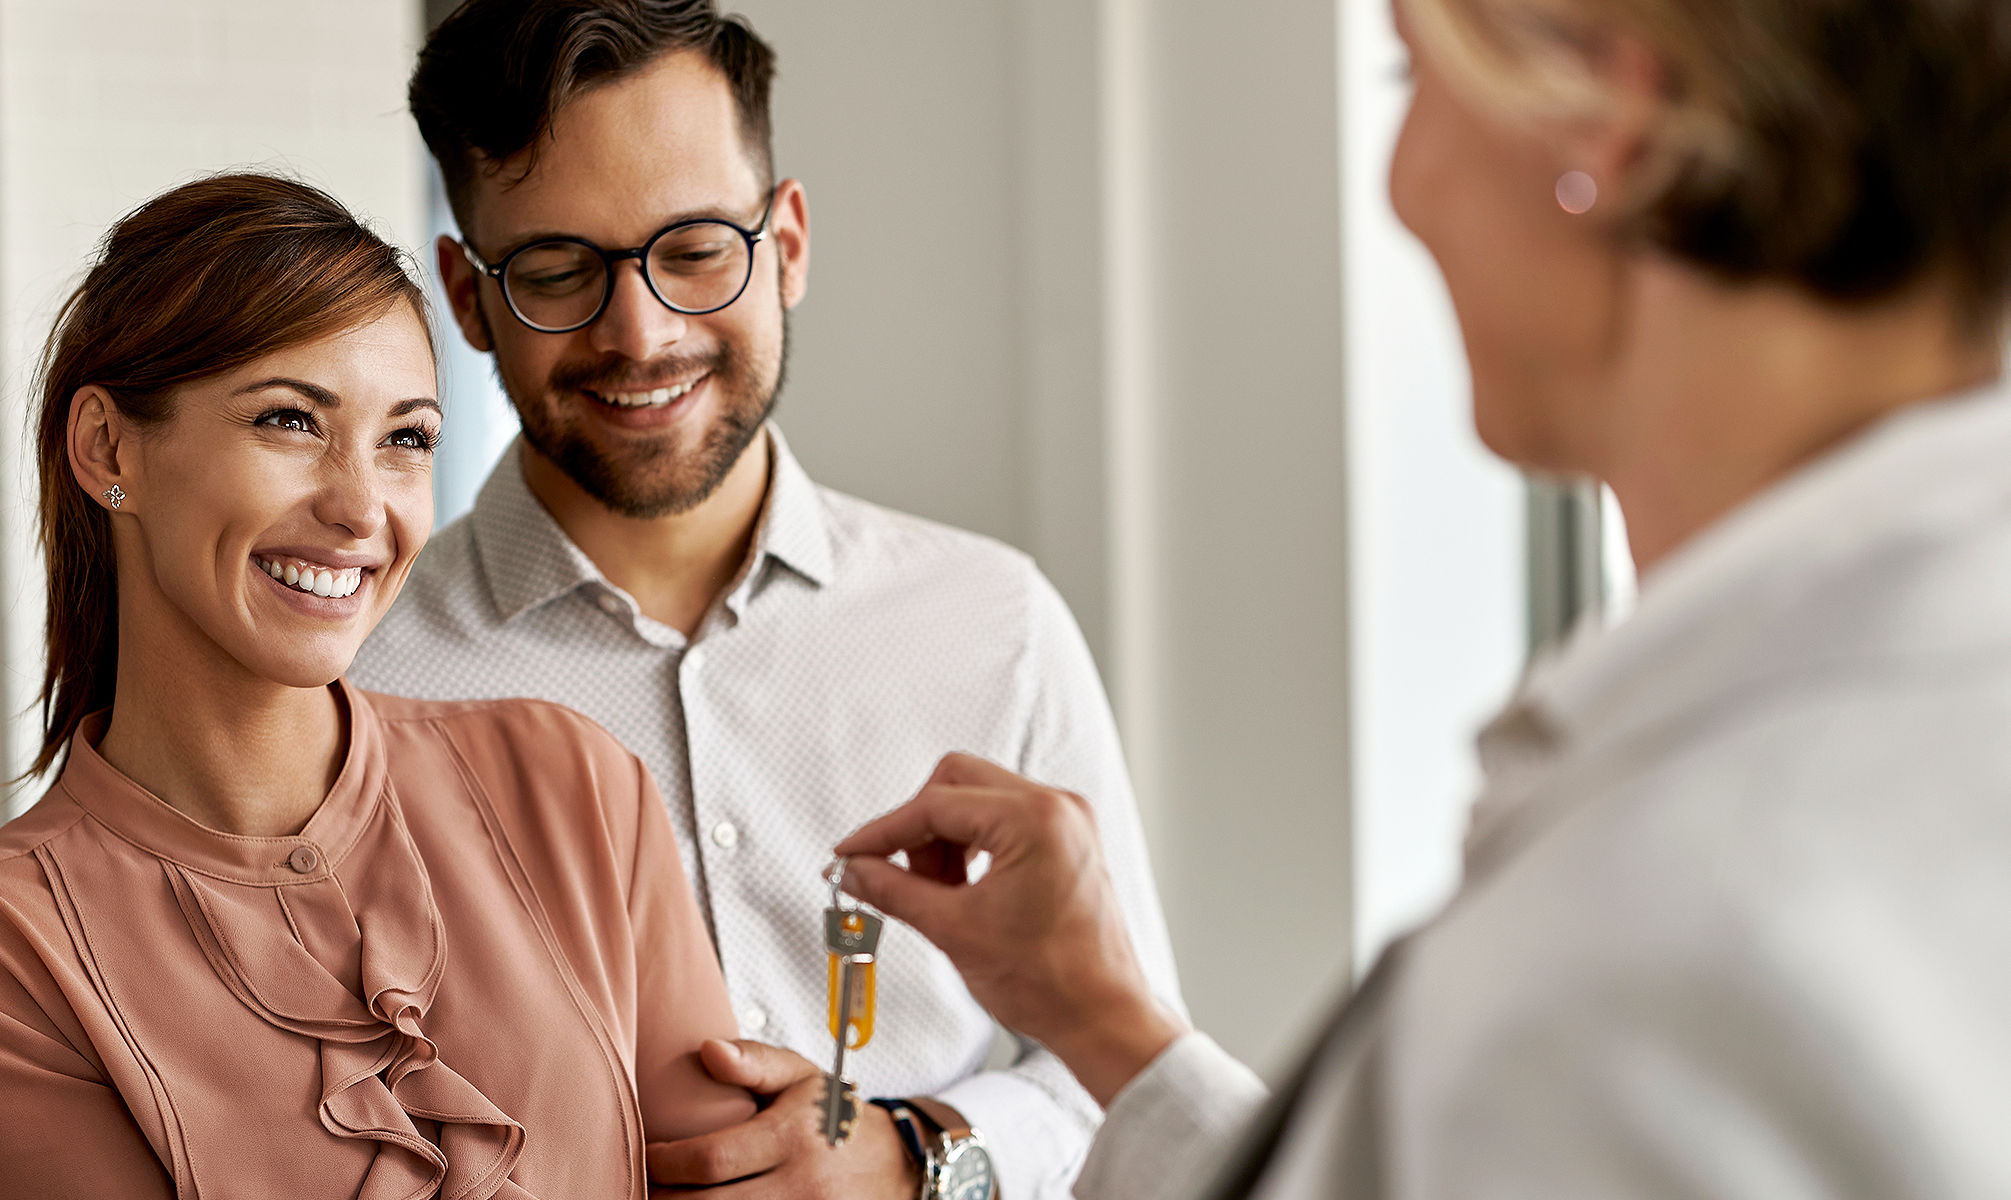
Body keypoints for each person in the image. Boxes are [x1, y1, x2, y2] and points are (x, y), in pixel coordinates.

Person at [835, 0, 2011, 1196]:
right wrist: (1103, 1023)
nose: (1403, 187)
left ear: (1609, 124)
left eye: (1413, 74)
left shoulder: (1668, 944)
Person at [349, 3, 1192, 1197]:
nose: (639, 334)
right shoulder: (355, 681)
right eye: (555, 271)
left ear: (787, 242)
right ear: (469, 296)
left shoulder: (992, 624)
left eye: (695, 250)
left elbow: (1127, 1082)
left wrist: (914, 1156)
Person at [0, 173, 756, 1199]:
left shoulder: (572, 782)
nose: (362, 508)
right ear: (108, 447)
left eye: (405, 439)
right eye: (288, 421)